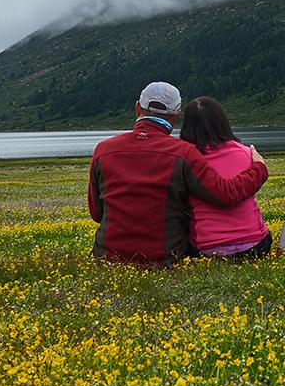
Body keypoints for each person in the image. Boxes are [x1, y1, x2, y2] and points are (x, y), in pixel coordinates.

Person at [87, 80, 268, 265]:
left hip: (107, 258)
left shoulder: (103, 150)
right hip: (165, 258)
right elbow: (225, 193)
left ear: (137, 108)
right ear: (176, 115)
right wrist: (259, 168)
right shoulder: (184, 152)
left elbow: (96, 213)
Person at [178, 96, 273, 259]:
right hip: (256, 244)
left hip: (206, 249)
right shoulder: (246, 152)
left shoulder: (185, 159)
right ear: (222, 122)